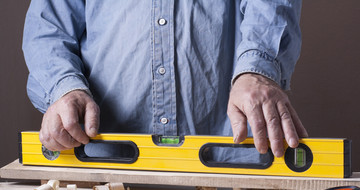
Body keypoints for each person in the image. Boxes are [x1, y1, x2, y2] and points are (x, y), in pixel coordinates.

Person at [23, 0, 308, 160]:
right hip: (101, 166)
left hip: (231, 169)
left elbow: (270, 7)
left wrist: (257, 70)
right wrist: (64, 89)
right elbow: (48, 27)